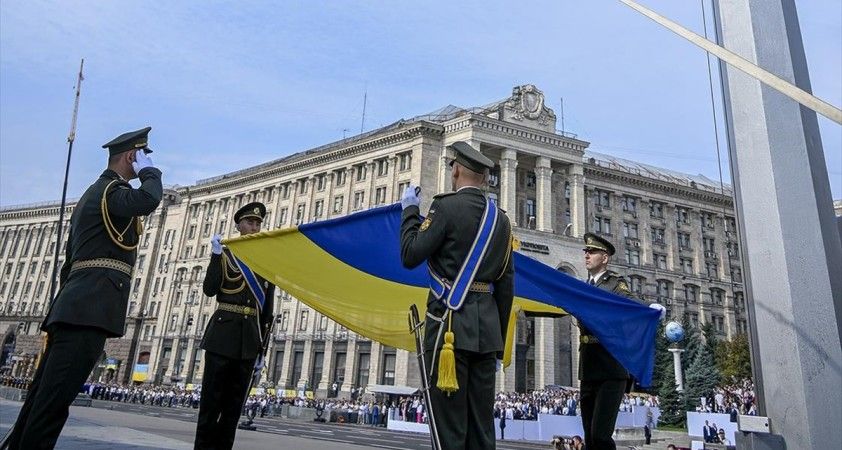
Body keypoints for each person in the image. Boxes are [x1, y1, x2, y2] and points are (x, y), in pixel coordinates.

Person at [4, 127, 162, 449]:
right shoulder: (112, 192)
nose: (144, 162)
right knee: (52, 406)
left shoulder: (93, 195)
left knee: (43, 399)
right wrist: (151, 172)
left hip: (75, 307)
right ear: (131, 156)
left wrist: (65, 304)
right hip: (90, 309)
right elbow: (149, 199)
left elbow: (69, 262)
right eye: (141, 156)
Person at [400, 141, 514, 450]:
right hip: (487, 335)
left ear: (456, 171)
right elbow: (506, 286)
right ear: (485, 178)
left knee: (449, 426)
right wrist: (499, 345)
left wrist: (410, 212)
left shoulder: (445, 207)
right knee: (481, 427)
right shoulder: (502, 221)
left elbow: (410, 254)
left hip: (449, 328)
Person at [194, 202, 275, 450]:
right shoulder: (226, 255)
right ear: (239, 226)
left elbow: (267, 311)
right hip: (222, 336)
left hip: (249, 341)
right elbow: (210, 290)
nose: (254, 227)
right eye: (250, 222)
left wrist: (262, 350)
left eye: (258, 223)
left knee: (233, 409)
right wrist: (215, 255)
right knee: (211, 405)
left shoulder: (266, 262)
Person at [578, 232, 665, 450]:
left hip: (610, 367)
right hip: (588, 367)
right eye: (586, 251)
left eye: (592, 252)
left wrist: (649, 309)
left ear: (604, 258)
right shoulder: (584, 286)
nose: (586, 255)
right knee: (589, 437)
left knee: (600, 435)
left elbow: (629, 300)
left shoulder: (614, 283)